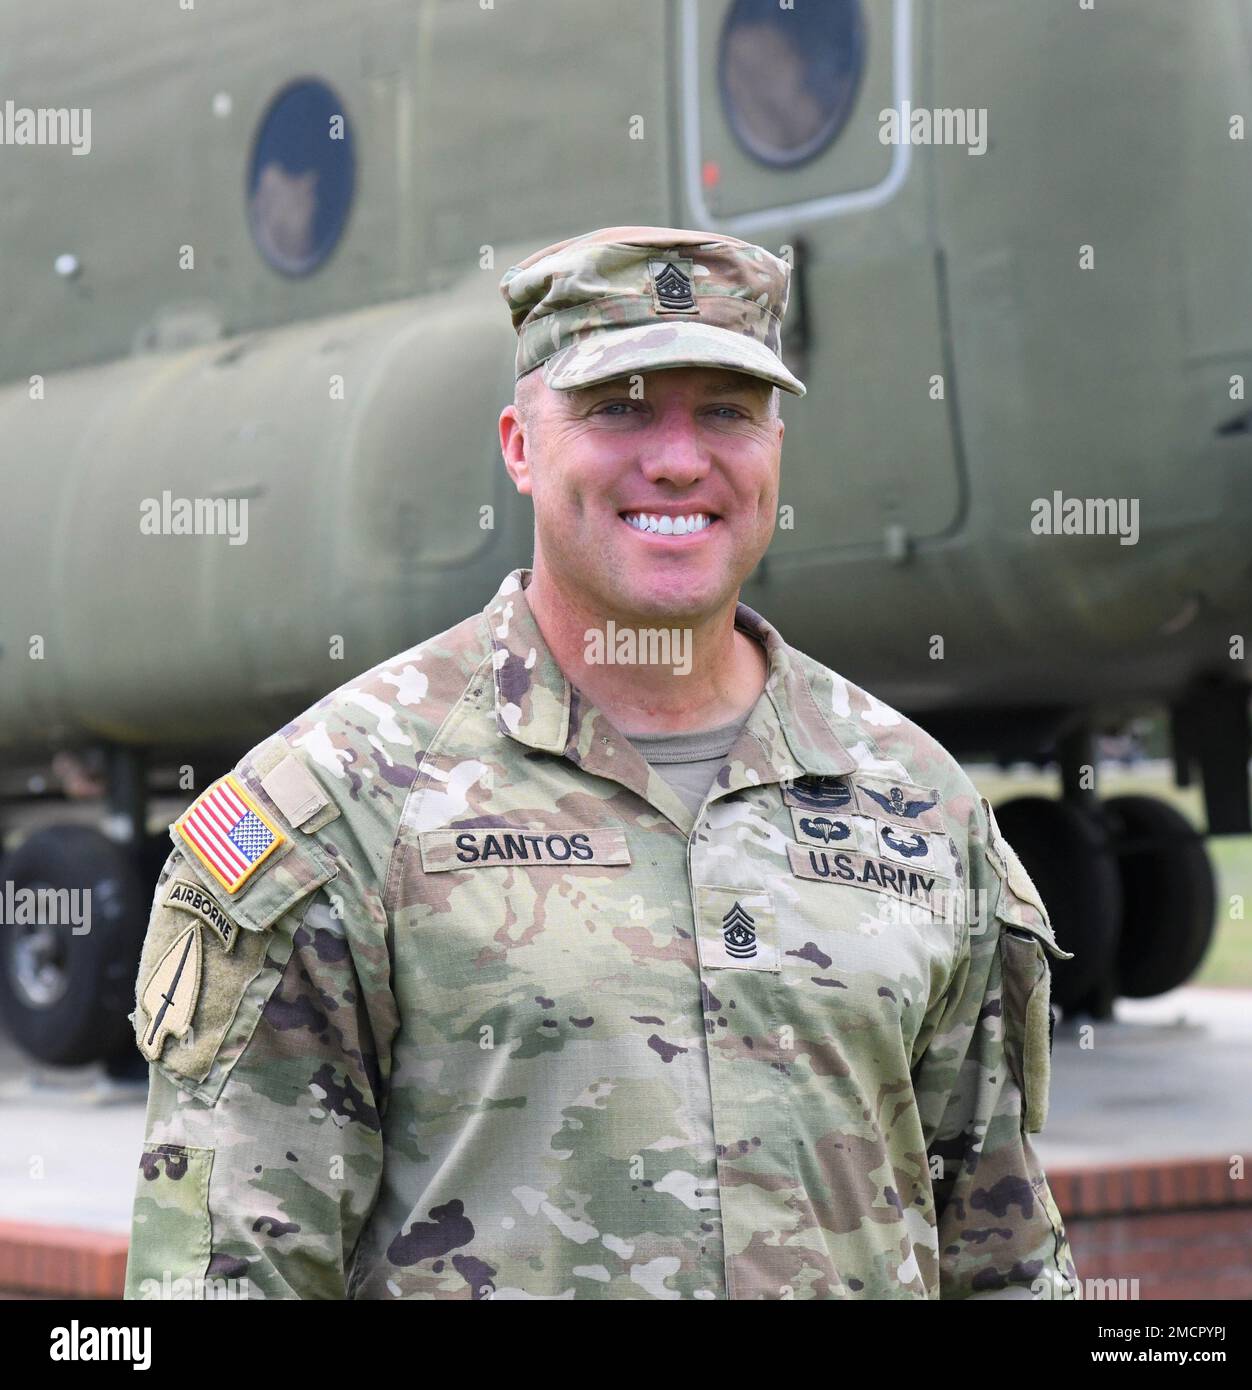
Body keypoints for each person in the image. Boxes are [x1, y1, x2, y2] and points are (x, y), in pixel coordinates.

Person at [123, 225, 1079, 1300]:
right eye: (618, 405)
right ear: (521, 446)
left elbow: (1004, 1258)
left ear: (775, 446)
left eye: (725, 409)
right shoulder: (338, 805)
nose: (677, 457)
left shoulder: (917, 802)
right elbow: (223, 1278)